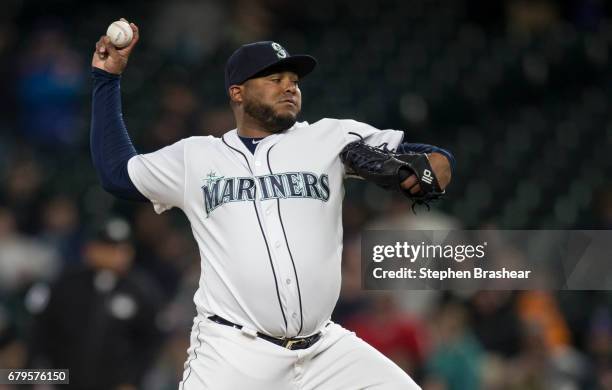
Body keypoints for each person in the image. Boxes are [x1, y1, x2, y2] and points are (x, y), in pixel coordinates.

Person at [90, 20, 454, 389]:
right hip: (233, 352)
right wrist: (108, 80)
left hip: (325, 351)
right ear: (237, 92)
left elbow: (438, 164)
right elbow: (117, 173)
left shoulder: (332, 137)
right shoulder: (196, 157)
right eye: (274, 79)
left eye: (293, 81)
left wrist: (417, 173)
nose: (289, 87)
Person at [27, 218, 165, 390]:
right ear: (90, 249)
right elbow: (40, 335)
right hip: (64, 382)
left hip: (115, 384)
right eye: (107, 248)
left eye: (121, 249)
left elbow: (150, 343)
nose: (114, 255)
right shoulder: (66, 284)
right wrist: (39, 378)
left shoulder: (142, 290)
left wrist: (133, 381)